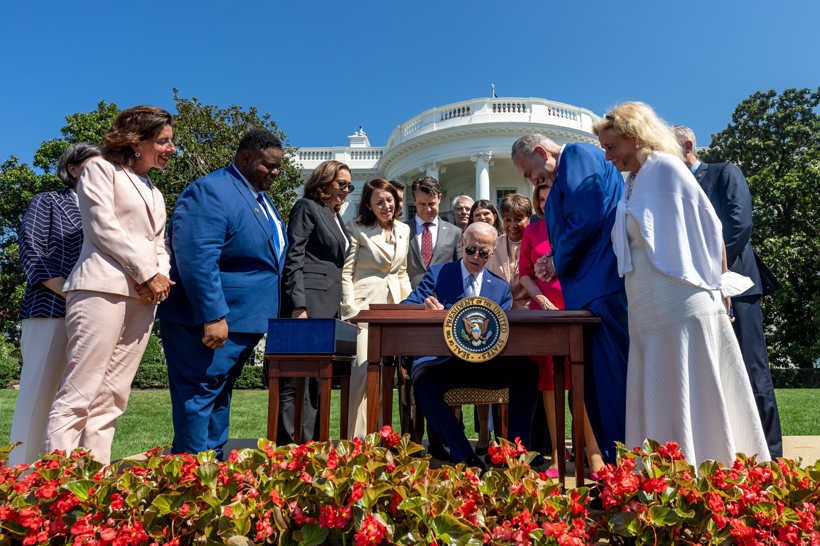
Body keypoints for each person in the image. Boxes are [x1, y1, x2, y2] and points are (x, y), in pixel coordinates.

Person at [594, 102, 769, 465]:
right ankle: (663, 477)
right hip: (646, 306)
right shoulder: (632, 182)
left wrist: (720, 289)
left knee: (692, 383)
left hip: (681, 302)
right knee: (659, 383)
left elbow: (712, 227)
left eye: (612, 147)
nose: (607, 156)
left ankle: (710, 469)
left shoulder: (666, 168)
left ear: (635, 136)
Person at [43, 106, 175, 464]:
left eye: (170, 142)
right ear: (136, 142)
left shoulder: (155, 192)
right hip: (100, 289)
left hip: (145, 299)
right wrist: (148, 273)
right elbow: (103, 228)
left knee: (114, 396)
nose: (171, 149)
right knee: (80, 390)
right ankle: (54, 484)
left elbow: (159, 243)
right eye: (163, 141)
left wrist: (159, 277)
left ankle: (95, 484)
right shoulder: (99, 169)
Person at [157, 130, 288, 458]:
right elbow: (197, 258)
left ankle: (211, 468)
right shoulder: (210, 192)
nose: (274, 172)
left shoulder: (258, 197)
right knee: (198, 399)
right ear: (246, 159)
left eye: (278, 167)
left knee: (217, 396)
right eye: (268, 166)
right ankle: (188, 482)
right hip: (210, 322)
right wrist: (213, 315)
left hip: (245, 320)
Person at [512, 133, 629, 465]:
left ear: (540, 152)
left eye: (527, 173)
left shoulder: (575, 155)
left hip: (599, 287)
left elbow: (586, 217)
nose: (531, 181)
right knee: (596, 384)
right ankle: (611, 470)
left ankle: (622, 469)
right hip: (593, 289)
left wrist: (555, 260)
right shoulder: (571, 167)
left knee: (608, 384)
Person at [674, 125, 783, 459]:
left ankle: (772, 458)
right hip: (694, 294)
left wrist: (709, 273)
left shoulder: (724, 173)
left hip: (735, 285)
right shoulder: (672, 188)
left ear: (688, 145)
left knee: (752, 370)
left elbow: (739, 226)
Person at [402, 222, 539, 470]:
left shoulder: (499, 286)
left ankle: (517, 457)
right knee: (423, 384)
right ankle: (466, 457)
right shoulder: (438, 273)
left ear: (493, 251)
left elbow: (503, 333)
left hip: (485, 364)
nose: (476, 256)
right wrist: (423, 307)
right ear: (463, 243)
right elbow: (404, 306)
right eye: (471, 249)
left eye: (484, 252)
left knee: (528, 371)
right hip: (441, 362)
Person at [9, 142, 100, 466]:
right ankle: (19, 479)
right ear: (73, 169)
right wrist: (72, 292)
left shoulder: (103, 212)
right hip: (50, 309)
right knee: (38, 394)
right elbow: (32, 254)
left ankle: (63, 476)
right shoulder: (47, 202)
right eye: (93, 165)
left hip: (94, 315)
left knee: (79, 400)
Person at [520, 184, 605, 478]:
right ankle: (557, 454)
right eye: (540, 200)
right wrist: (540, 298)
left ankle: (593, 452)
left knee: (583, 381)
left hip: (577, 312)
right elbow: (524, 274)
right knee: (549, 383)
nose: (546, 204)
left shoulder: (576, 227)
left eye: (551, 198)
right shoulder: (532, 231)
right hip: (544, 317)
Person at [279, 160, 353, 444]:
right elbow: (294, 257)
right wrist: (298, 305)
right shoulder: (306, 207)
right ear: (323, 183)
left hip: (328, 308)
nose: (346, 190)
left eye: (350, 185)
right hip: (307, 305)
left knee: (318, 380)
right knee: (297, 379)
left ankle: (313, 444)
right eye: (341, 183)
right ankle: (289, 445)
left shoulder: (336, 216)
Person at [341, 179, 412, 438]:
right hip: (364, 310)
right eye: (379, 201)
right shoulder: (355, 228)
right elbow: (346, 272)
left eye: (390, 199)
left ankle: (379, 440)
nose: (386, 205)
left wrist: (410, 307)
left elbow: (401, 272)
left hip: (395, 311)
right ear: (369, 205)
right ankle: (354, 442)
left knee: (386, 377)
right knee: (361, 373)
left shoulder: (404, 229)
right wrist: (350, 311)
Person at [405, 176, 462, 461]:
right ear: (414, 201)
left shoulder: (454, 233)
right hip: (409, 311)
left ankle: (443, 441)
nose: (428, 209)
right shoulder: (402, 231)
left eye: (433, 204)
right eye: (423, 204)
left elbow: (461, 273)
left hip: (444, 315)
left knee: (438, 376)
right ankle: (408, 441)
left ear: (440, 199)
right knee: (410, 379)